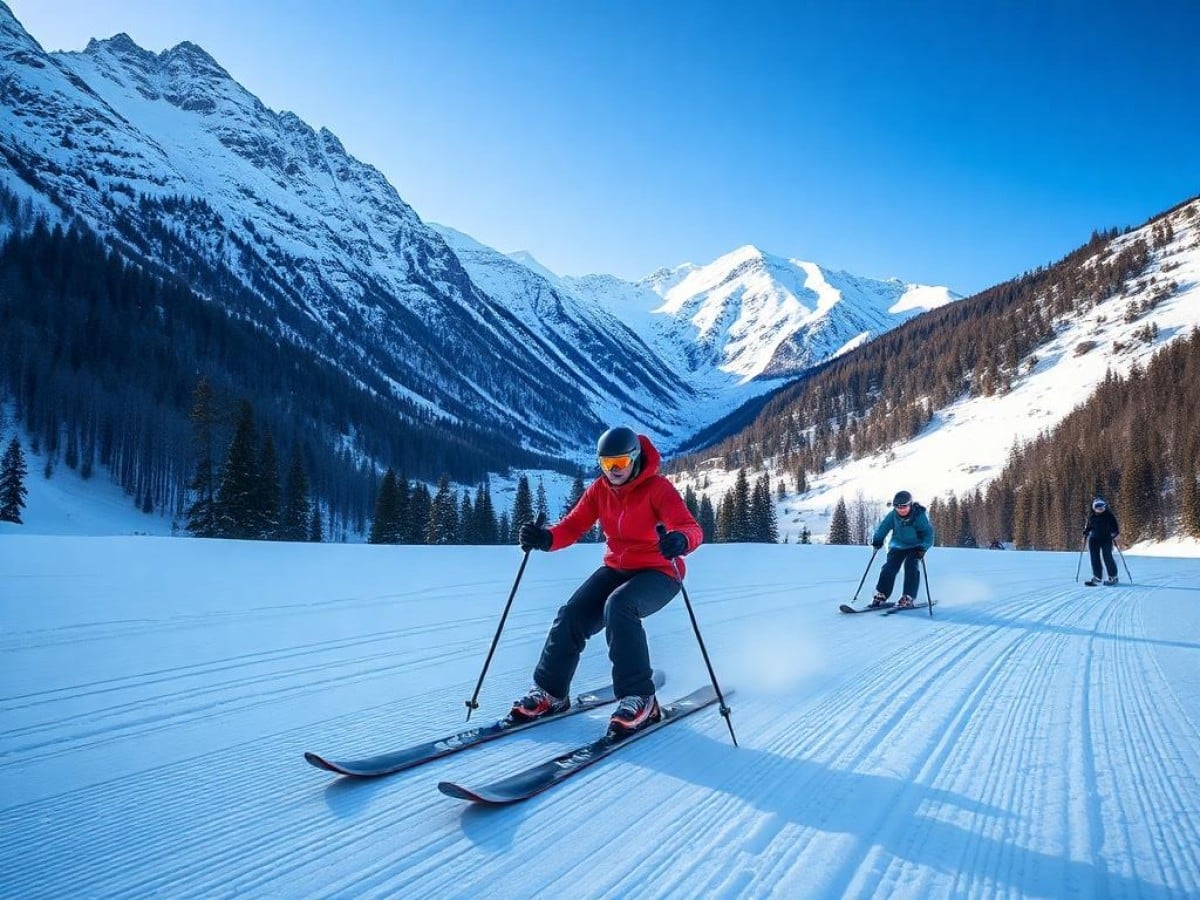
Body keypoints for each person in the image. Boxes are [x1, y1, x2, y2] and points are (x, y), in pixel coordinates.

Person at [513, 426, 703, 736]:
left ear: (635, 459)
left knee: (620, 606)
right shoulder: (600, 491)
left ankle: (641, 698)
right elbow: (572, 527)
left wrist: (680, 540)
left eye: (620, 464)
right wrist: (545, 539)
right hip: (618, 568)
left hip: (660, 572)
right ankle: (551, 693)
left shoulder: (658, 489)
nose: (613, 472)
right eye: (606, 464)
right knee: (572, 614)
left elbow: (691, 528)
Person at [868, 490, 935, 609]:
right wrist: (878, 540)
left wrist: (923, 547)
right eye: (897, 506)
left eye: (904, 506)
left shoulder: (919, 516)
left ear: (910, 505)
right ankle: (882, 595)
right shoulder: (892, 515)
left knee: (911, 566)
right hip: (897, 546)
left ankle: (908, 597)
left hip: (916, 547)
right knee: (889, 568)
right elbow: (883, 528)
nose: (901, 509)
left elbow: (928, 534)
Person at [1083, 497, 1120, 586]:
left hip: (1106, 539)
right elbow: (1089, 527)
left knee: (1107, 557)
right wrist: (1086, 532)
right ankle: (1097, 577)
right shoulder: (1092, 517)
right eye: (1098, 507)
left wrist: (1114, 533)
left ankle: (1113, 577)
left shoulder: (1109, 516)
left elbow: (1115, 528)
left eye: (1102, 507)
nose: (1100, 509)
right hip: (1094, 540)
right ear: (1094, 507)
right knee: (1094, 558)